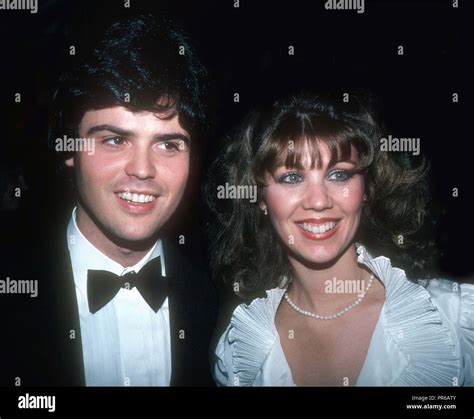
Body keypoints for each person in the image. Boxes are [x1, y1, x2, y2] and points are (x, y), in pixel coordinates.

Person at [1, 15, 217, 386]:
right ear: (68, 148)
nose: (143, 169)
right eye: (115, 139)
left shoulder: (221, 305)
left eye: (168, 144)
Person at [207, 91, 474, 386]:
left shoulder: (454, 321)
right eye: (292, 178)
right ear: (260, 198)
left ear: (366, 189)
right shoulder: (240, 354)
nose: (319, 201)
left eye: (339, 175)